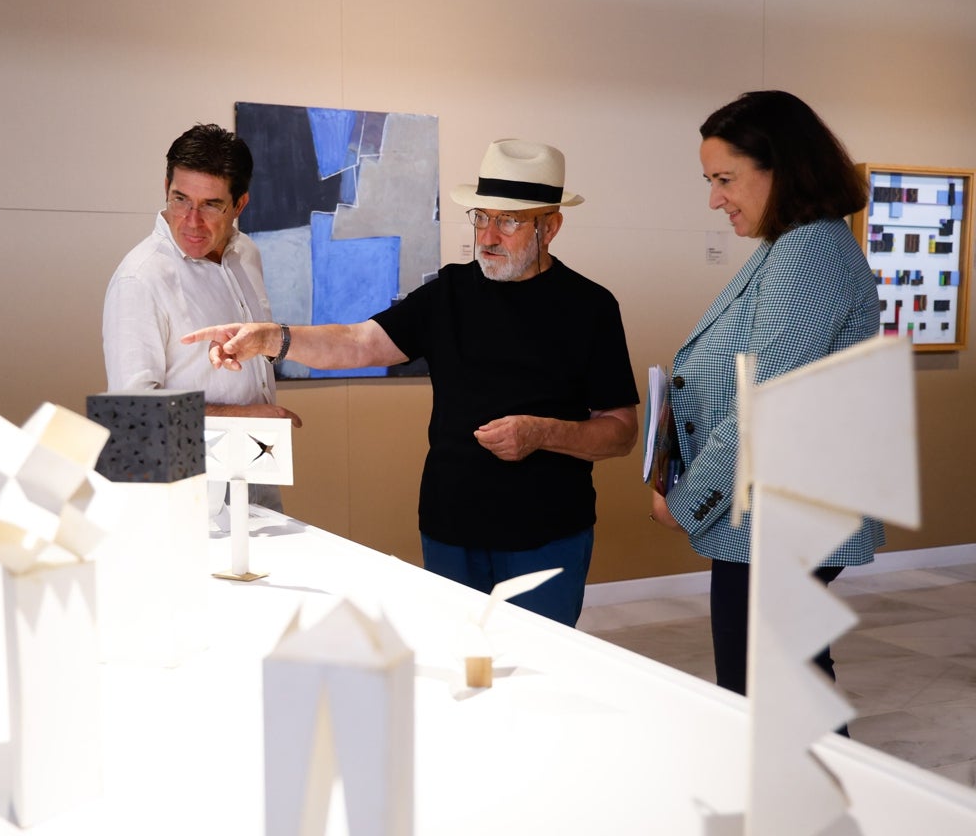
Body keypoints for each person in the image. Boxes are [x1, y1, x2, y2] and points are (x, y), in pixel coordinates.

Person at [184, 139, 639, 626]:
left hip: (549, 534)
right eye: (481, 217)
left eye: (508, 222)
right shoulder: (449, 293)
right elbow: (360, 342)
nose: (488, 235)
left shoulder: (590, 308)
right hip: (450, 528)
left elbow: (620, 431)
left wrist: (543, 433)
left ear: (550, 227)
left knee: (538, 669)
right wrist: (273, 338)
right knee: (455, 669)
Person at [648, 90, 883, 703]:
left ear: (783, 167)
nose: (714, 198)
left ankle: (809, 799)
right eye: (709, 179)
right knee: (780, 683)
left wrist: (687, 497)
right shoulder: (791, 245)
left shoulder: (811, 249)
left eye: (725, 178)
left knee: (768, 691)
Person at [102, 123, 301, 510]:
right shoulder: (139, 278)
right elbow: (133, 411)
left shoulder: (248, 254)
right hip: (180, 495)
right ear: (166, 188)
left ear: (239, 204)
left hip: (256, 477)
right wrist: (243, 417)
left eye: (210, 204)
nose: (191, 221)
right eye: (180, 199)